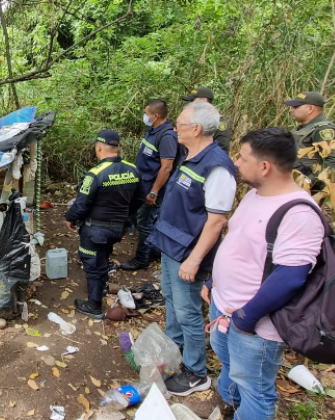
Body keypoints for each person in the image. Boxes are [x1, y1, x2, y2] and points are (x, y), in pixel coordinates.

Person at [203, 128, 323, 419]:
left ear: (265, 166)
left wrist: (247, 316)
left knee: (255, 387)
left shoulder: (298, 213)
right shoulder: (256, 195)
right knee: (231, 368)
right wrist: (214, 281)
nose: (237, 163)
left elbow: (291, 276)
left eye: (243, 158)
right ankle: (233, 408)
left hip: (253, 323)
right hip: (225, 307)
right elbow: (241, 243)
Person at [146, 102, 237, 396]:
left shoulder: (217, 166)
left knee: (188, 312)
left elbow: (216, 221)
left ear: (196, 129)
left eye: (181, 125)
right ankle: (174, 350)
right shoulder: (191, 156)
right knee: (172, 300)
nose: (176, 129)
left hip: (188, 253)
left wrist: (194, 260)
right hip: (171, 244)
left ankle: (196, 372)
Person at [64, 130, 144, 319]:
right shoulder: (132, 169)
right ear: (116, 147)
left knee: (92, 263)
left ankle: (93, 305)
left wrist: (70, 218)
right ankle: (100, 286)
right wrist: (124, 213)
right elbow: (140, 197)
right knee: (103, 256)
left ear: (99, 147)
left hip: (95, 230)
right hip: (117, 228)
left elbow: (81, 204)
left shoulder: (95, 174)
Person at [120, 99, 179, 271]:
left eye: (147, 114)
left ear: (156, 115)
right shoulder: (153, 130)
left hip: (153, 188)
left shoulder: (167, 136)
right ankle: (153, 249)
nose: (145, 116)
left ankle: (142, 258)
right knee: (143, 220)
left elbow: (166, 167)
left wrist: (153, 192)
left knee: (145, 223)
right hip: (142, 184)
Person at [283, 91, 335, 174]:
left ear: (310, 109)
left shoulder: (323, 130)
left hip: (309, 185)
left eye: (295, 107)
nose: (291, 110)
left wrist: (310, 179)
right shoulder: (301, 129)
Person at [182, 87, 232, 154]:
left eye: (192, 101)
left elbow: (222, 151)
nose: (190, 104)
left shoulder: (219, 122)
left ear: (204, 100)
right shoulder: (194, 120)